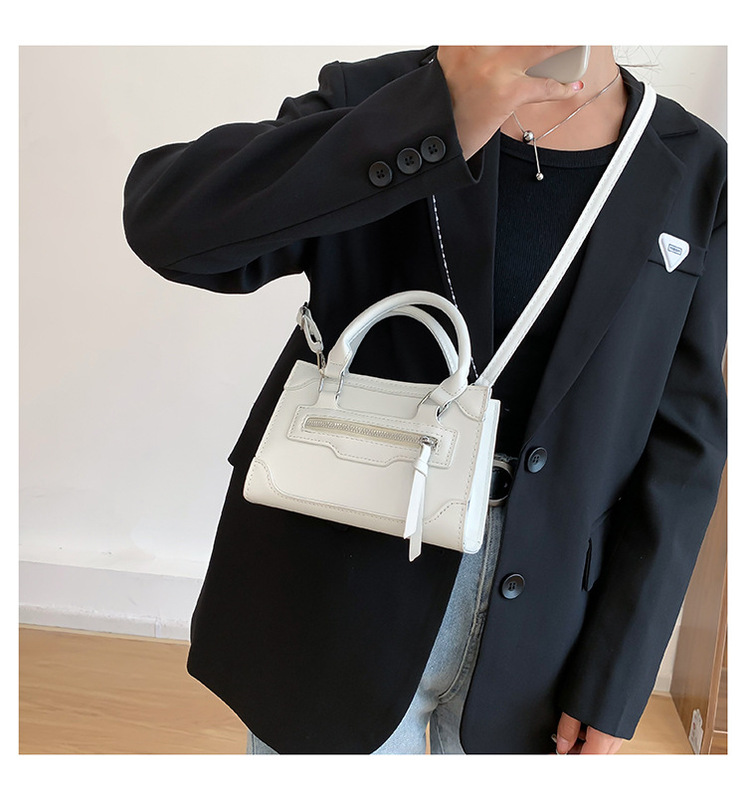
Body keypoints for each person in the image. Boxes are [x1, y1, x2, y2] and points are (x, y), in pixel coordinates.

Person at [123, 46, 727, 754]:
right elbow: (166, 222)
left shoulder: (694, 166)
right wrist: (429, 121)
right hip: (340, 593)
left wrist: (617, 678)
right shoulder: (385, 95)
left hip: (547, 632)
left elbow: (684, 444)